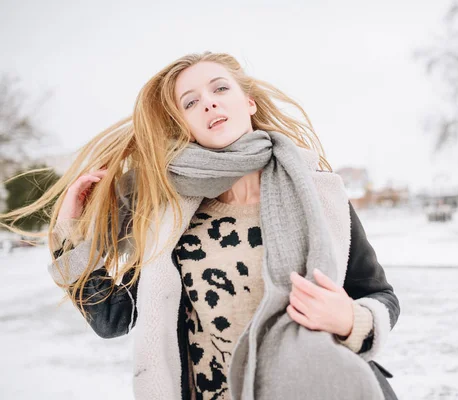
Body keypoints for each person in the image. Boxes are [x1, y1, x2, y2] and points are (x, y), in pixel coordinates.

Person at [1, 51, 400, 400]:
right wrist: (71, 233)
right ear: (182, 125)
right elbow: (112, 317)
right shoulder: (168, 217)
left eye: (219, 89)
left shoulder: (317, 193)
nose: (208, 103)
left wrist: (351, 319)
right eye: (190, 102)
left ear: (250, 102)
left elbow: (378, 294)